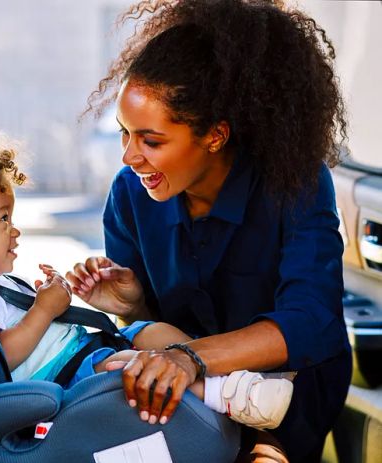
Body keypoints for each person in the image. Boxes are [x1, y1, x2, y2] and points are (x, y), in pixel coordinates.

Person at [67, 0, 352, 461]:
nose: (129, 157)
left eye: (151, 141)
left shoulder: (293, 181)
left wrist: (192, 358)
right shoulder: (129, 194)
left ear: (215, 135)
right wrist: (133, 304)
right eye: (124, 133)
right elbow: (153, 328)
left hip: (287, 392)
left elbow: (309, 322)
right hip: (188, 391)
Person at [0, 128, 294, 430]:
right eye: (3, 219)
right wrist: (43, 311)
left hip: (85, 349)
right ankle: (227, 397)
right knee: (130, 366)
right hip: (63, 378)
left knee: (151, 332)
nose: (14, 230)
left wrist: (48, 300)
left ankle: (232, 378)